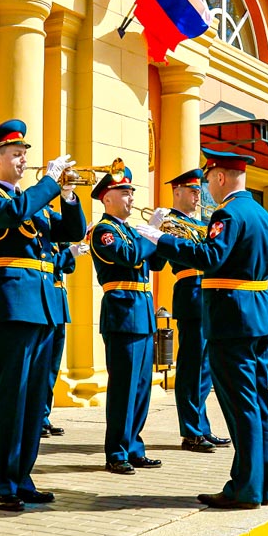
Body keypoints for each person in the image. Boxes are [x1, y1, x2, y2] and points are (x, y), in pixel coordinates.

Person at [139, 148, 268, 510]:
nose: (206, 188)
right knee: (259, 403)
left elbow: (210, 257)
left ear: (219, 177)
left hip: (232, 321)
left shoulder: (227, 214)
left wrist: (161, 240)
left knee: (241, 405)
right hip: (258, 317)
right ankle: (261, 484)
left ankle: (245, 488)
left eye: (208, 180)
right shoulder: (262, 214)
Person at [0, 121, 86, 511]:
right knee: (10, 397)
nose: (23, 160)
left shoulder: (32, 200)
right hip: (14, 305)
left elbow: (70, 231)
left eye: (25, 154)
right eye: (16, 154)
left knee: (34, 398)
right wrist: (50, 183)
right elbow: (13, 213)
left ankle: (22, 476)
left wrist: (68, 195)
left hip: (42, 306)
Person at [88, 165, 161, 474]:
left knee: (142, 387)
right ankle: (116, 451)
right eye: (124, 192)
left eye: (132, 192)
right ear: (107, 198)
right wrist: (151, 235)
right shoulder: (103, 231)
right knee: (124, 388)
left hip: (143, 313)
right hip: (123, 313)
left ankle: (134, 446)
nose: (131, 198)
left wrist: (160, 236)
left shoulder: (132, 230)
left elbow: (155, 262)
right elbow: (130, 257)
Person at [162, 169, 227, 452]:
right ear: (177, 192)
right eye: (192, 191)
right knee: (190, 367)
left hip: (210, 292)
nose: (197, 195)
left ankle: (202, 425)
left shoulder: (202, 224)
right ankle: (190, 431)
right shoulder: (170, 223)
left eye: (199, 191)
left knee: (206, 368)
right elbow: (182, 253)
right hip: (191, 292)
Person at [42, 240, 89, 437]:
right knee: (42, 366)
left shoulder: (56, 238)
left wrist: (67, 247)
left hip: (59, 304)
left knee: (52, 368)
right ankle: (35, 418)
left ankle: (43, 415)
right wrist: (69, 253)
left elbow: (68, 267)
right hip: (46, 300)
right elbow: (48, 263)